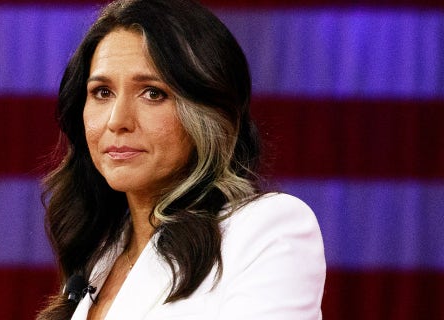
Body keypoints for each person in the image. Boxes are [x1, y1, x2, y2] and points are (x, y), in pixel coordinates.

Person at [37, 0, 326, 319]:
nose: (117, 120)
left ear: (208, 115)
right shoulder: (99, 255)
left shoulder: (267, 228)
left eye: (153, 93)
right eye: (102, 92)